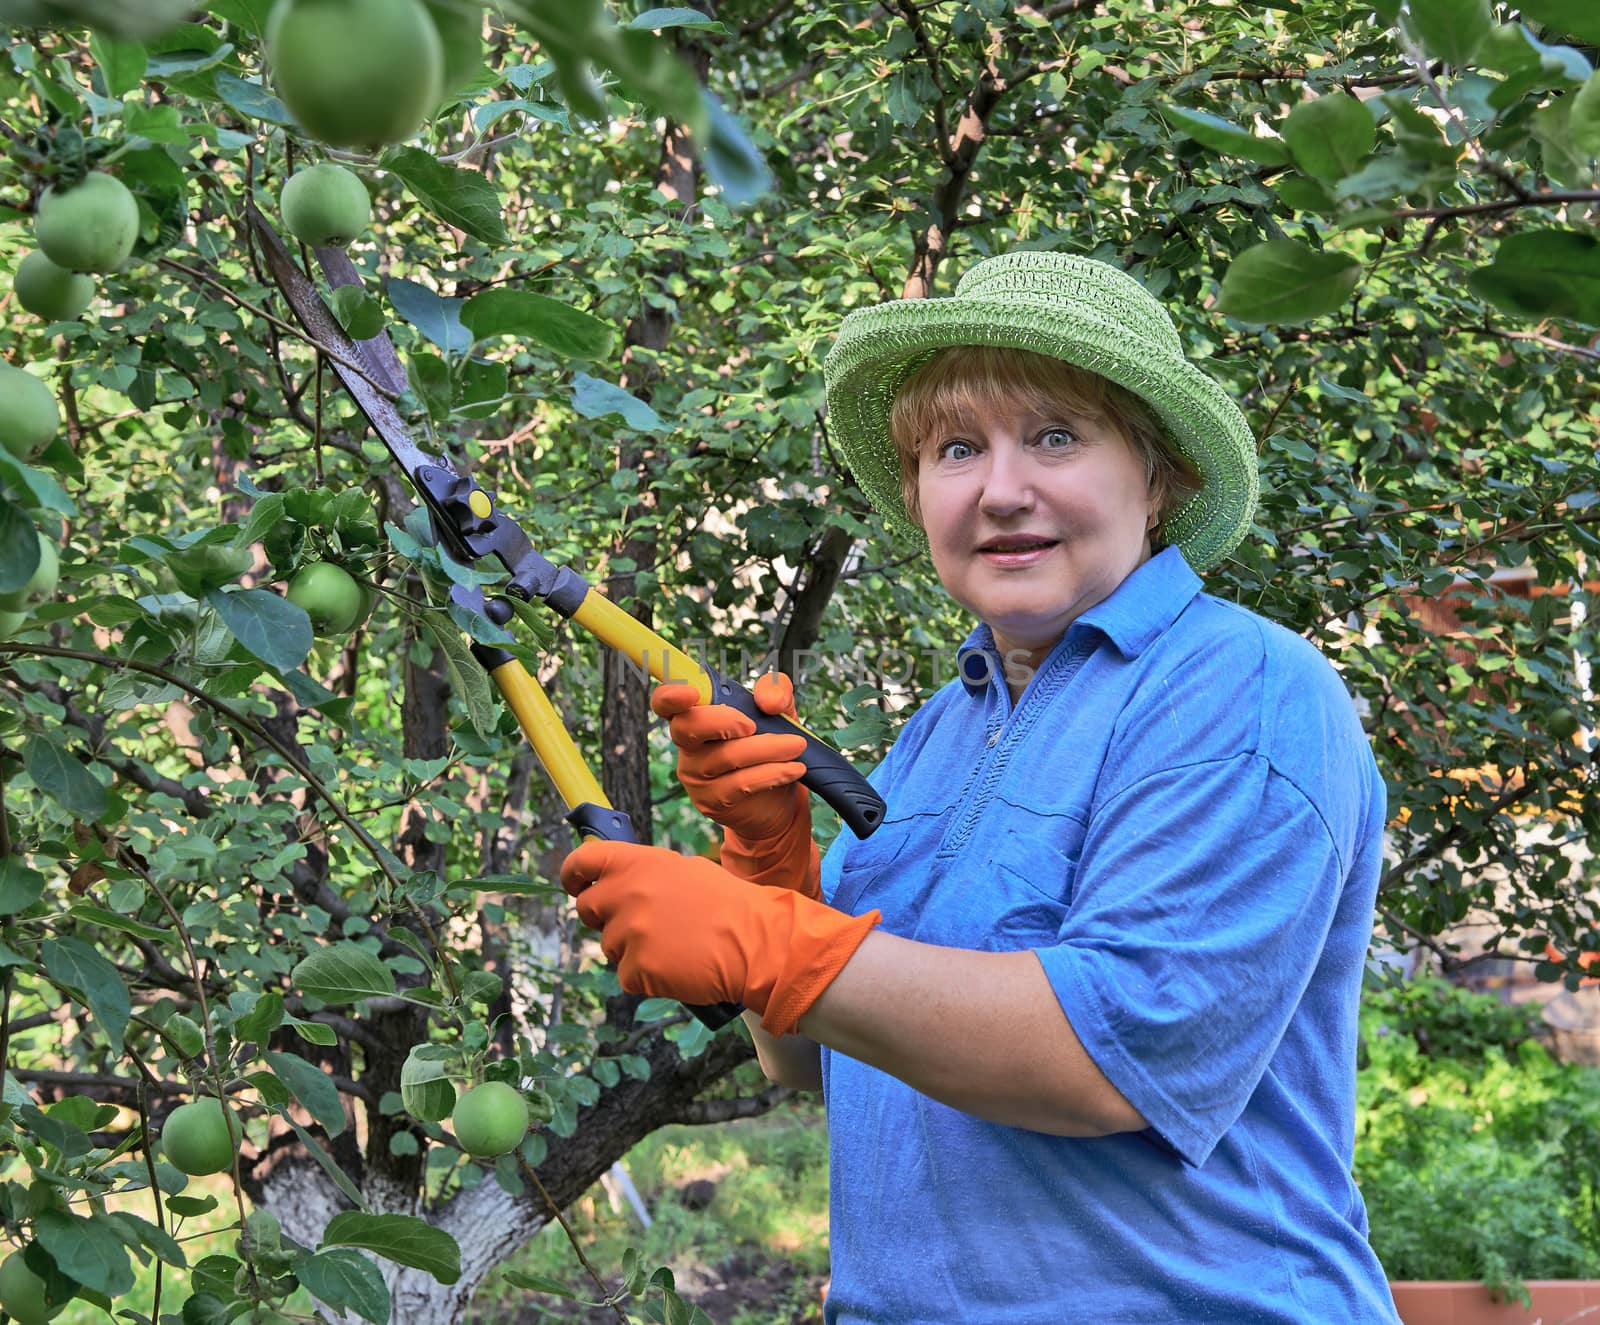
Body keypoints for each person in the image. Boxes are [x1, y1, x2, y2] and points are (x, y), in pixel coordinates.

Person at [560, 251, 1402, 1323]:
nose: (1002, 489)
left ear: (1158, 478)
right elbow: (812, 1059)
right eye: (957, 448)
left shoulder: (1243, 690)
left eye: (1056, 435)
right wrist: (772, 872)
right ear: (917, 496)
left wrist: (773, 941)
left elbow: (1107, 1059)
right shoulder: (939, 730)